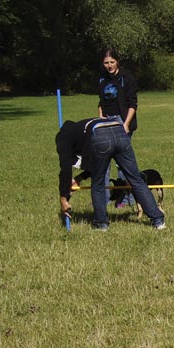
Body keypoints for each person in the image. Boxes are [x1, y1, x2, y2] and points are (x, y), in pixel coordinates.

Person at [55, 117, 165, 230]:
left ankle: (101, 224)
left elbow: (65, 169)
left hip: (100, 135)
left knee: (98, 184)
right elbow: (92, 165)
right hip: (119, 130)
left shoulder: (63, 138)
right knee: (136, 179)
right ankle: (159, 221)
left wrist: (63, 199)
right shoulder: (81, 130)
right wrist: (78, 179)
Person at [96, 48, 139, 208]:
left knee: (123, 162)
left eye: (112, 62)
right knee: (103, 161)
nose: (109, 66)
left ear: (117, 61)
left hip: (122, 120)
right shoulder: (102, 78)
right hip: (106, 121)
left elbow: (133, 104)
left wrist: (126, 124)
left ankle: (128, 199)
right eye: (106, 63)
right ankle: (104, 199)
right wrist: (100, 119)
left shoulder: (127, 77)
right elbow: (101, 101)